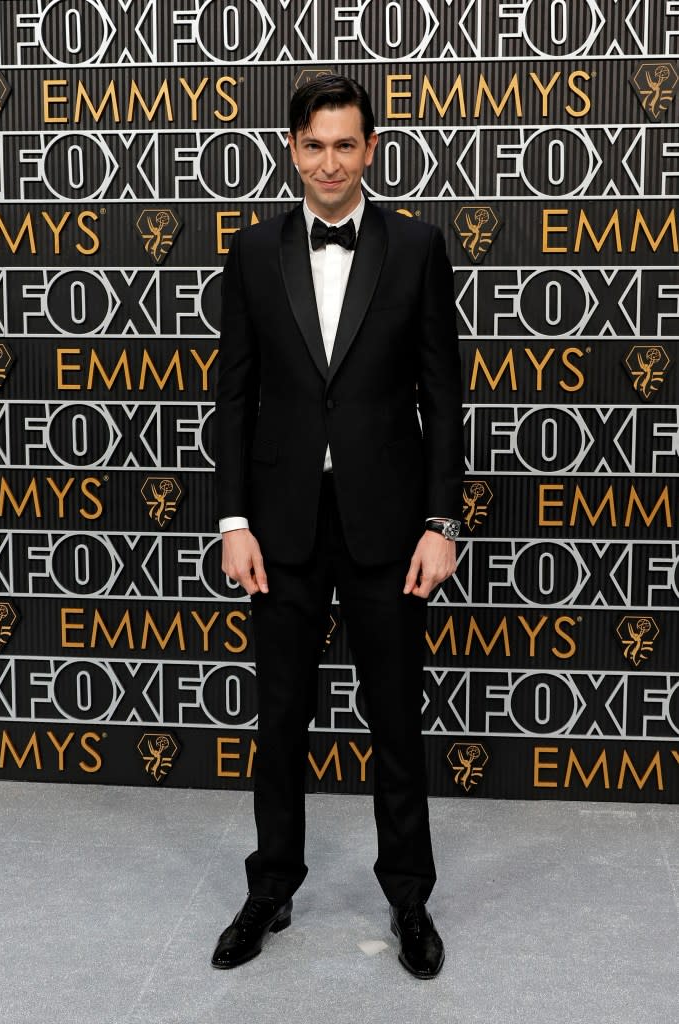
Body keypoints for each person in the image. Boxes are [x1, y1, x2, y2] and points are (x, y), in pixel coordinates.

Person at [212, 74, 464, 979]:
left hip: (389, 528)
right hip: (278, 528)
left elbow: (443, 391)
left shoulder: (418, 247)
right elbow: (234, 395)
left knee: (395, 722)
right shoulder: (250, 252)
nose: (329, 162)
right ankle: (270, 887)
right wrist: (233, 519)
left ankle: (409, 900)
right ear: (292, 148)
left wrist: (442, 521)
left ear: (370, 150)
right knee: (279, 721)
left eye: (345, 145)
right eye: (313, 145)